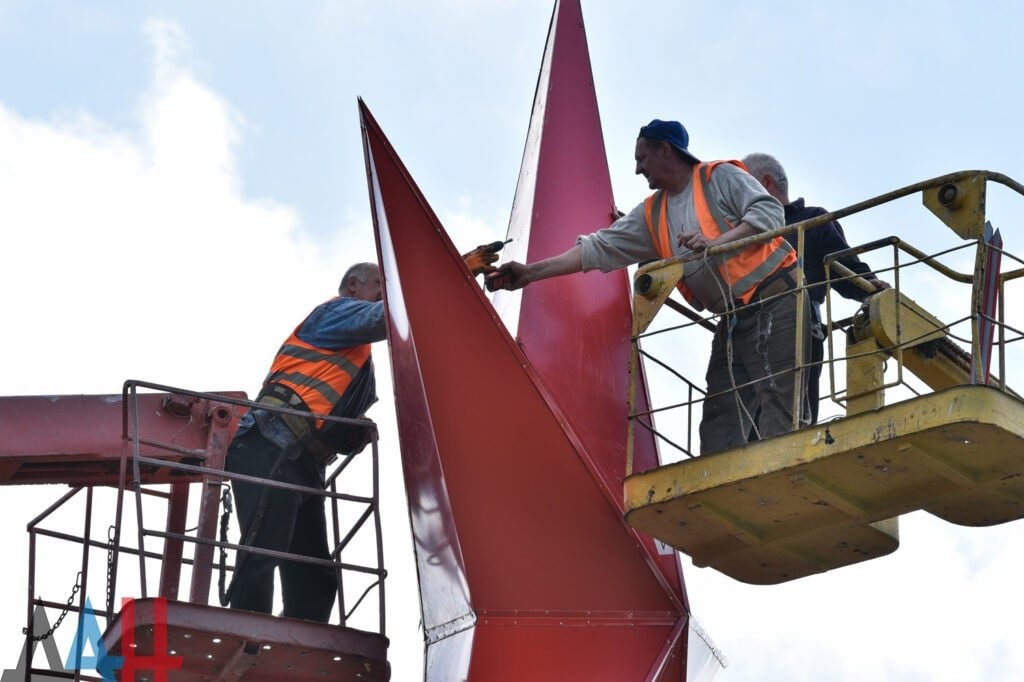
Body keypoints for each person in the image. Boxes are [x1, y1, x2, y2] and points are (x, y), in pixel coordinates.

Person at [488, 119, 808, 454]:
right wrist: (530, 273)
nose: (638, 169)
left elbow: (770, 212)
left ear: (666, 150)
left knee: (778, 407)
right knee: (720, 420)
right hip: (733, 319)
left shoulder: (718, 177)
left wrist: (717, 243)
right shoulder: (653, 214)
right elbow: (598, 248)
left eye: (642, 158)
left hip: (776, 299)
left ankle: (787, 482)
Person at [224, 262, 385, 622]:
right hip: (269, 442)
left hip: (302, 462)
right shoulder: (335, 313)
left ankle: (300, 638)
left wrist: (356, 429)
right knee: (266, 547)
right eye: (380, 282)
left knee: (314, 570)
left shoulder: (359, 364)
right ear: (353, 285)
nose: (385, 290)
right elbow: (386, 318)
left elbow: (333, 423)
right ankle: (250, 633)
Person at [742, 153, 889, 424]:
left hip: (798, 325)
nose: (737, 193)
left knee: (791, 418)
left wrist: (871, 287)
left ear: (766, 183)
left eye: (743, 183)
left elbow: (843, 268)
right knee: (744, 419)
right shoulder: (741, 229)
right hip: (745, 330)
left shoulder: (810, 221)